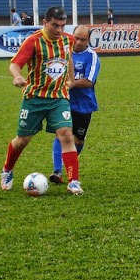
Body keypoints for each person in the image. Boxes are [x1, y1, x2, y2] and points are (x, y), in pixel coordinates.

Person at [0, 6, 84, 195]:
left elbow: (68, 57)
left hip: (58, 97)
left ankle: (74, 181)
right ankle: (7, 170)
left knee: (66, 135)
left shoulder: (67, 40)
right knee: (22, 140)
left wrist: (70, 80)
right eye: (55, 25)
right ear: (45, 22)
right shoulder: (33, 42)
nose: (59, 30)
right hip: (34, 98)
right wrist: (17, 76)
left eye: (62, 26)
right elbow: (15, 64)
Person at [50, 25, 99, 185]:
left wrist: (70, 83)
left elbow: (89, 81)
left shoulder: (91, 57)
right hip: (63, 101)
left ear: (88, 41)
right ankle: (57, 171)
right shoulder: (64, 51)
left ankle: (68, 162)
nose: (78, 42)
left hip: (84, 105)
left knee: (78, 141)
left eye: (82, 40)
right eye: (76, 38)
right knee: (63, 134)